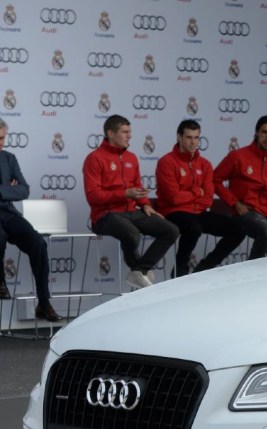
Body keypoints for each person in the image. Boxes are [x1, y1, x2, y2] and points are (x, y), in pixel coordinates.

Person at [83, 115, 179, 290]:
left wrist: (145, 204)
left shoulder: (132, 158)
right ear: (110, 133)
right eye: (125, 132)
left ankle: (139, 271)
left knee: (171, 230)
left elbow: (138, 187)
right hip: (104, 215)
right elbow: (93, 197)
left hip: (131, 211)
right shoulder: (95, 158)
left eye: (130, 132)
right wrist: (125, 194)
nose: (130, 136)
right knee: (132, 233)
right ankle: (140, 273)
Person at [156, 120, 246, 277]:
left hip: (199, 212)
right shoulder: (166, 162)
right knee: (194, 227)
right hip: (173, 212)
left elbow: (208, 199)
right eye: (189, 137)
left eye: (196, 138)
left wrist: (191, 196)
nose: (193, 142)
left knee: (239, 229)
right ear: (179, 137)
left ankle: (205, 268)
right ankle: (180, 270)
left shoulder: (205, 164)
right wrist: (197, 192)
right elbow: (174, 198)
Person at [0, 118, 62, 321]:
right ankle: (1, 283)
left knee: (38, 244)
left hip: (8, 213)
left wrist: (4, 191)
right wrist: (10, 189)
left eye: (2, 138)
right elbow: (15, 190)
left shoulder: (9, 158)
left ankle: (44, 302)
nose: (0, 143)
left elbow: (24, 190)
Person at [212, 115, 267, 259]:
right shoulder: (238, 156)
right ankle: (250, 268)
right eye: (264, 132)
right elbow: (215, 180)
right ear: (257, 133)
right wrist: (234, 203)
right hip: (246, 212)